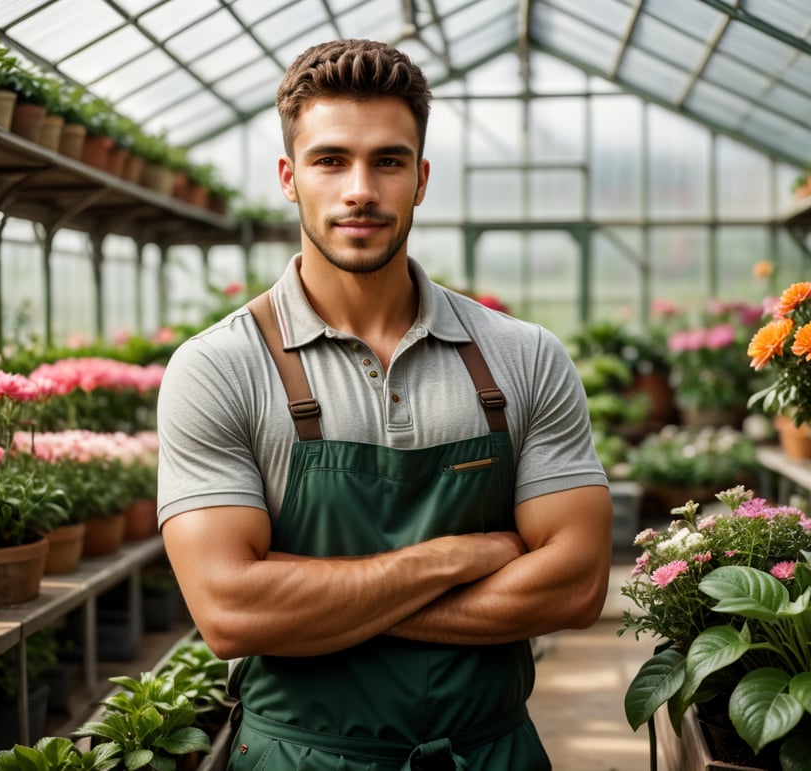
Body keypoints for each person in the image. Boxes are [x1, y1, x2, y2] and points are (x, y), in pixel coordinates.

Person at [157, 38, 612, 771]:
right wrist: (455, 558)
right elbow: (232, 609)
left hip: (488, 754)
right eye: (330, 160)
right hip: (297, 757)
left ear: (421, 178)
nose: (359, 189)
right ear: (289, 176)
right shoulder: (219, 368)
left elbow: (578, 582)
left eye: (388, 161)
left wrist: (331, 606)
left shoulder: (523, 356)